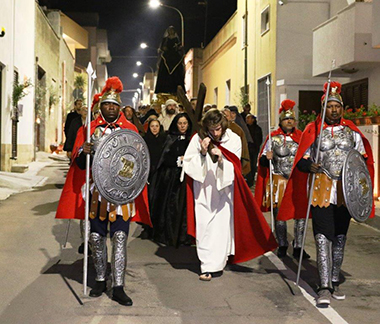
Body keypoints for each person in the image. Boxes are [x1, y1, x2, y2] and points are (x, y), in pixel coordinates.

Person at [56, 77, 151, 306]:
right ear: (101, 107)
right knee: (97, 238)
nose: (110, 108)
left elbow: (138, 163)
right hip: (97, 193)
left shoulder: (130, 130)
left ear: (119, 107)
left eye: (114, 105)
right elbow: (78, 165)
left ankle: (118, 286)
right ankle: (99, 279)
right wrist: (83, 151)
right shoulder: (90, 129)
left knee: (119, 237)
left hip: (121, 195)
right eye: (107, 104)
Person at [278, 82, 374, 306]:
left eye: (336, 106)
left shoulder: (352, 133)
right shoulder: (314, 131)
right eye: (329, 106)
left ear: (342, 108)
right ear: (324, 108)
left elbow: (362, 161)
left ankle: (334, 279)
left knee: (340, 236)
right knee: (322, 236)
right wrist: (307, 165)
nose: (333, 110)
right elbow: (301, 159)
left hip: (345, 191)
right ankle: (323, 287)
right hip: (322, 189)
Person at [183, 109, 277, 281]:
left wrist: (221, 160)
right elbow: (188, 165)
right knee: (204, 226)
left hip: (224, 190)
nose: (215, 133)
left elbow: (235, 167)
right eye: (212, 129)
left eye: (218, 129)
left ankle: (217, 262)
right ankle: (206, 264)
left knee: (221, 227)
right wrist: (203, 153)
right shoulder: (198, 138)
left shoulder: (233, 138)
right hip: (203, 189)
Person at [255, 100, 310, 259]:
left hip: (298, 179)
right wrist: (267, 158)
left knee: (300, 214)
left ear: (295, 121)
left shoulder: (302, 138)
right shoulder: (273, 138)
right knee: (279, 215)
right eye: (286, 119)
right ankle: (282, 244)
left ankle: (299, 247)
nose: (289, 122)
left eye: (292, 119)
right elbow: (262, 161)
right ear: (281, 121)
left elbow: (308, 157)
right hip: (279, 179)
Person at [149, 113, 192, 246]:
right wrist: (176, 161)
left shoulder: (192, 139)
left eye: (185, 123)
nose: (182, 126)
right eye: (180, 123)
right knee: (171, 206)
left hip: (189, 177)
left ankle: (185, 236)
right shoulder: (169, 138)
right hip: (172, 178)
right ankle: (169, 234)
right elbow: (164, 157)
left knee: (186, 207)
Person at [155, 26, 185, 94]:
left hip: (175, 57)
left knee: (177, 71)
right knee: (164, 71)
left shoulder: (176, 39)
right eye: (170, 30)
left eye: (172, 30)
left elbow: (180, 47)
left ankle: (176, 88)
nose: (171, 31)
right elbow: (162, 48)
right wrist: (164, 48)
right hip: (166, 57)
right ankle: (164, 88)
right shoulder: (165, 39)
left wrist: (179, 48)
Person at [221, 107, 251, 177]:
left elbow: (243, 146)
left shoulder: (237, 129)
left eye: (227, 116)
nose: (224, 117)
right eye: (223, 115)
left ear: (230, 117)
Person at [246, 114, 262, 183]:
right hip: (247, 148)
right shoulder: (245, 128)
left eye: (248, 118)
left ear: (252, 120)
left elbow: (259, 139)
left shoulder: (257, 128)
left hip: (254, 149)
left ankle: (251, 178)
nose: (247, 120)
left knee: (253, 163)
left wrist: (256, 145)